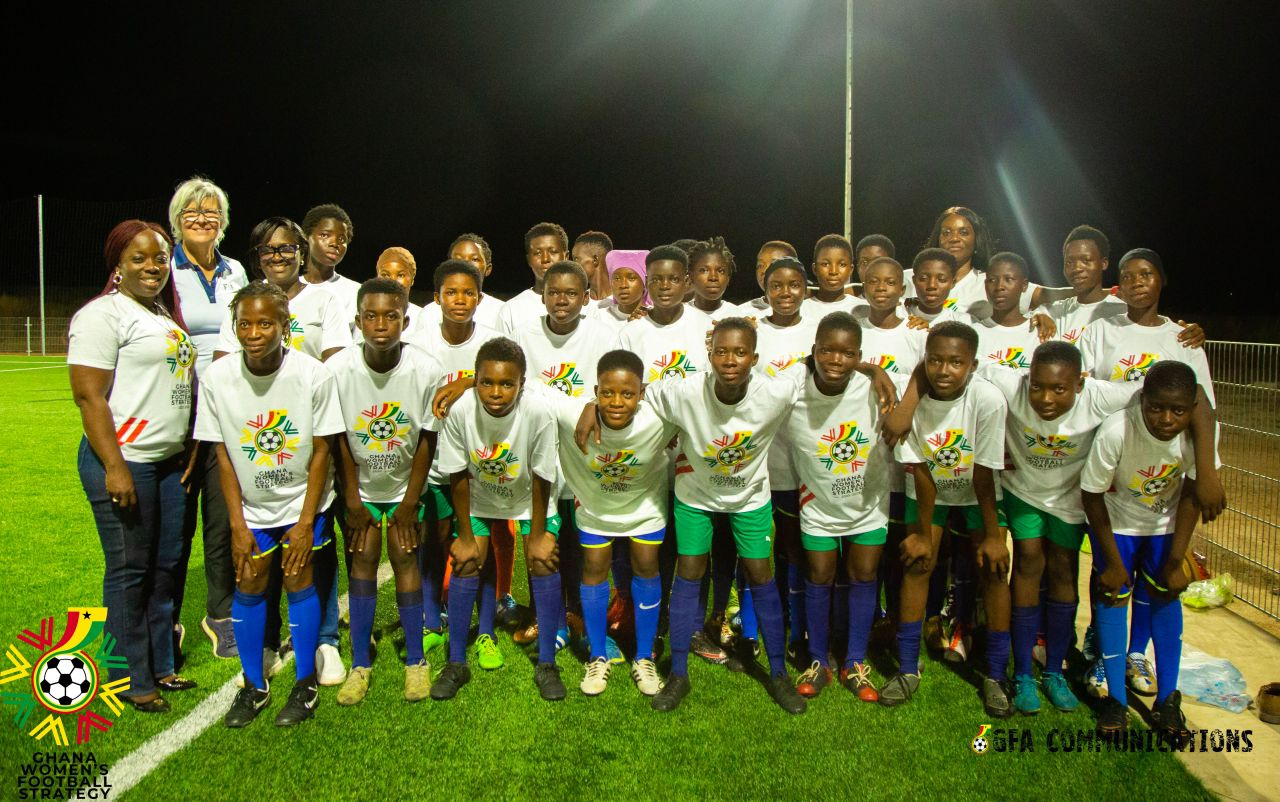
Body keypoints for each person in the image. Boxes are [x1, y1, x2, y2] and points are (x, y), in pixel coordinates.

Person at [589, 319, 808, 714]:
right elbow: (630, 394)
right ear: (709, 356)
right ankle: (679, 674)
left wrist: (872, 370)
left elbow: (816, 364)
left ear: (754, 359)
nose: (730, 359)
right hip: (695, 494)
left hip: (749, 496)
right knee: (689, 570)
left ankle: (778, 674)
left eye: (740, 352)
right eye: (721, 351)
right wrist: (592, 405)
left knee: (760, 574)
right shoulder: (683, 391)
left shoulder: (775, 390)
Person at [196, 282, 345, 727]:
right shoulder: (217, 378)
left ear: (284, 325)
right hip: (252, 508)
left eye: (265, 323)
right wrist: (237, 526)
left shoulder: (313, 374)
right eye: (245, 323)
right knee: (250, 582)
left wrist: (304, 524)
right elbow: (222, 455)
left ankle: (304, 684)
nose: (254, 332)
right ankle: (254, 685)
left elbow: (322, 452)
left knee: (299, 579)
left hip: (304, 504)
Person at [69, 220, 199, 713]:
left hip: (167, 464)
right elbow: (89, 396)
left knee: (165, 568)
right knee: (130, 570)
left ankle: (162, 663)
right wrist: (115, 466)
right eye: (140, 258)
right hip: (127, 463)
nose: (153, 266)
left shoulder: (162, 314)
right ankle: (128, 675)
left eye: (161, 258)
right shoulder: (103, 315)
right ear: (118, 265)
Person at [214, 217, 350, 688]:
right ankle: (266, 645)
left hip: (306, 451)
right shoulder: (234, 341)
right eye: (269, 250)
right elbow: (225, 438)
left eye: (286, 248)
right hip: (257, 471)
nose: (279, 256)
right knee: (256, 572)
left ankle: (324, 642)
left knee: (310, 563)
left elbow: (334, 363)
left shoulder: (324, 303)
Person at [978, 342, 1143, 715]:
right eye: (1037, 386)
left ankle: (1053, 672)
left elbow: (1177, 388)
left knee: (1064, 573)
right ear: (1026, 379)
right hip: (1022, 492)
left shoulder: (1100, 397)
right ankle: (1022, 673)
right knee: (1027, 565)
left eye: (1059, 389)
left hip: (1070, 501)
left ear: (1080, 383)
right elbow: (971, 369)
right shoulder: (1011, 384)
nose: (1045, 398)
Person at [882, 322, 1014, 718]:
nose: (944, 370)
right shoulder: (912, 401)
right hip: (929, 489)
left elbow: (985, 473)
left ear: (972, 365)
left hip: (979, 492)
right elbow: (920, 469)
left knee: (993, 570)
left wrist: (992, 536)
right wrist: (923, 534)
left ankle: (995, 674)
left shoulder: (988, 398)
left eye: (956, 362)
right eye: (935, 360)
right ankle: (907, 668)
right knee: (918, 564)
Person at [1081, 361, 1214, 740]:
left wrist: (1176, 560)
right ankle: (1116, 701)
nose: (1167, 419)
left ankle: (1168, 699)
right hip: (1117, 524)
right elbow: (1091, 495)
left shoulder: (1194, 438)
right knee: (1112, 595)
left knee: (1166, 594)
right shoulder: (1117, 430)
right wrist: (1108, 559)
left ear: (1192, 408)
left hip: (1164, 528)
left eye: (1178, 410)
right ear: (1142, 399)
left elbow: (1191, 493)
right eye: (1156, 407)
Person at [430, 338, 566, 702]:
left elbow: (542, 475)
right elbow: (457, 474)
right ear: (475, 379)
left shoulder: (538, 411)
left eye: (507, 384)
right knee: (467, 561)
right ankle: (456, 662)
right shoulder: (461, 411)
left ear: (522, 384)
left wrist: (536, 534)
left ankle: (547, 663)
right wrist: (463, 533)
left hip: (530, 497)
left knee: (541, 559)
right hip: (479, 497)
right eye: (487, 382)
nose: (496, 391)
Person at [329, 279, 444, 705]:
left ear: (405, 321)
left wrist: (411, 502)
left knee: (405, 558)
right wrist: (353, 500)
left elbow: (427, 439)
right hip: (360, 491)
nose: (381, 324)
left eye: (391, 316)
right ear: (358, 322)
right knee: (361, 561)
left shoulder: (426, 369)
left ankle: (416, 662)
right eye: (371, 316)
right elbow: (338, 437)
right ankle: (360, 663)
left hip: (405, 489)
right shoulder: (338, 370)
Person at [784, 313, 900, 702]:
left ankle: (854, 660)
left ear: (860, 355)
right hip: (818, 503)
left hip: (868, 504)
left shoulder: (873, 389)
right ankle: (817, 659)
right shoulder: (792, 387)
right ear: (813, 351)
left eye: (848, 353)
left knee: (865, 575)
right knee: (819, 576)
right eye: (827, 350)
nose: (836, 359)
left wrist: (874, 370)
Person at [512, 260, 616, 655]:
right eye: (554, 292)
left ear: (586, 298)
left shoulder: (603, 334)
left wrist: (592, 402)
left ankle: (575, 612)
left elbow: (613, 384)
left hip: (585, 448)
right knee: (540, 533)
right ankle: (544, 613)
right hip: (538, 447)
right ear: (542, 294)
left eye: (571, 293)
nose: (561, 300)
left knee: (578, 536)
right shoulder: (524, 334)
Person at [165, 176, 248, 662]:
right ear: (177, 221)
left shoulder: (235, 270)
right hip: (177, 411)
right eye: (192, 211)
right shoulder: (165, 269)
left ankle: (220, 615)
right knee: (176, 526)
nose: (202, 218)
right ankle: (165, 619)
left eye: (211, 211)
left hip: (224, 413)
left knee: (220, 520)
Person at [419, 260, 501, 659]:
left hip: (481, 463)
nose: (460, 300)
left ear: (480, 298)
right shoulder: (419, 336)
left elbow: (510, 380)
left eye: (469, 292)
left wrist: (468, 380)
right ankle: (432, 622)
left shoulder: (491, 339)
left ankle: (485, 630)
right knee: (434, 543)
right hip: (434, 461)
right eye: (451, 292)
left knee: (479, 547)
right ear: (436, 298)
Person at [755, 257, 821, 662]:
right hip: (766, 459)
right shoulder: (752, 328)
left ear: (805, 289)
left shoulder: (817, 330)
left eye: (794, 285)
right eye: (776, 286)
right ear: (764, 289)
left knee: (799, 549)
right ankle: (763, 622)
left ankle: (799, 629)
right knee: (768, 547)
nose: (785, 293)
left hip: (810, 461)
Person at [923, 206, 1073, 316]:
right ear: (938, 239)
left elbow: (1044, 295)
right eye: (946, 233)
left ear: (977, 241)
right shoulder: (911, 278)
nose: (954, 238)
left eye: (963, 232)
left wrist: (1090, 292)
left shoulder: (990, 282)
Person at [417, 233, 505, 330]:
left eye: (474, 259)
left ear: (488, 269)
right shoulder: (429, 313)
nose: (466, 264)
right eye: (458, 259)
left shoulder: (501, 311)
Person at [497, 222, 569, 335]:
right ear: (528, 259)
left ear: (566, 256)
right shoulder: (511, 310)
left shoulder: (584, 306)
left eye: (553, 251)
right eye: (538, 253)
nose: (545, 259)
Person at [974, 252, 1043, 371]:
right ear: (985, 285)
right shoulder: (974, 333)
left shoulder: (1041, 333)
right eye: (992, 280)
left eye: (1008, 279)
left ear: (1024, 285)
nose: (999, 286)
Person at [301, 203, 360, 327]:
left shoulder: (356, 293)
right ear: (306, 237)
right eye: (325, 235)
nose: (334, 243)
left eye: (342, 239)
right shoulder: (284, 286)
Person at [371, 246, 426, 345]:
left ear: (412, 280)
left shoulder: (423, 316)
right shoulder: (367, 314)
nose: (393, 281)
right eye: (385, 275)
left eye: (400, 275)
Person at [590, 249, 649, 332]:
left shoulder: (655, 317)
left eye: (631, 278)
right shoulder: (599, 318)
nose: (623, 285)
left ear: (645, 282)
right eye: (616, 278)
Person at [687, 237, 744, 319]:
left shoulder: (738, 317)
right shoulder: (678, 315)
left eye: (720, 271)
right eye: (704, 270)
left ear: (728, 278)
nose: (713, 277)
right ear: (691, 277)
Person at [807, 234, 863, 315]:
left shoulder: (863, 308)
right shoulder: (801, 310)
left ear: (851, 269)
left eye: (842, 265)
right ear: (815, 268)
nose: (833, 272)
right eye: (825, 264)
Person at [746, 240, 799, 315]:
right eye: (760, 265)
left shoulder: (809, 310)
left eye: (773, 264)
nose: (764, 271)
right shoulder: (742, 312)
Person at [572, 230, 614, 301]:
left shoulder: (626, 303)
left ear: (595, 260)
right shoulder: (578, 303)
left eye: (576, 259)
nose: (573, 265)